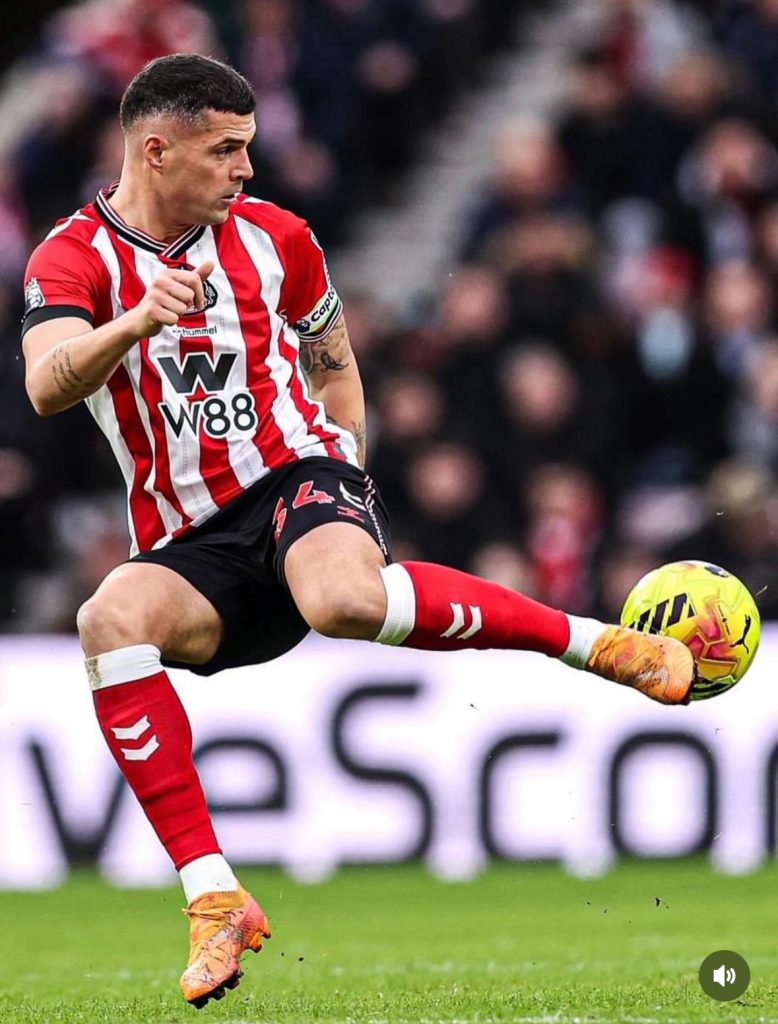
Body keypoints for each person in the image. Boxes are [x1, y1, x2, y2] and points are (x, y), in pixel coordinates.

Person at [21, 54, 697, 1009]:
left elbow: (332, 359)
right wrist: (133, 324)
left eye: (249, 147)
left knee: (342, 598)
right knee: (107, 620)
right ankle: (214, 899)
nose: (246, 168)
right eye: (226, 151)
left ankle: (597, 645)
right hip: (190, 542)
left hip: (297, 476)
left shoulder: (280, 239)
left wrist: (347, 475)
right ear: (156, 150)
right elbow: (45, 385)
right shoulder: (73, 258)